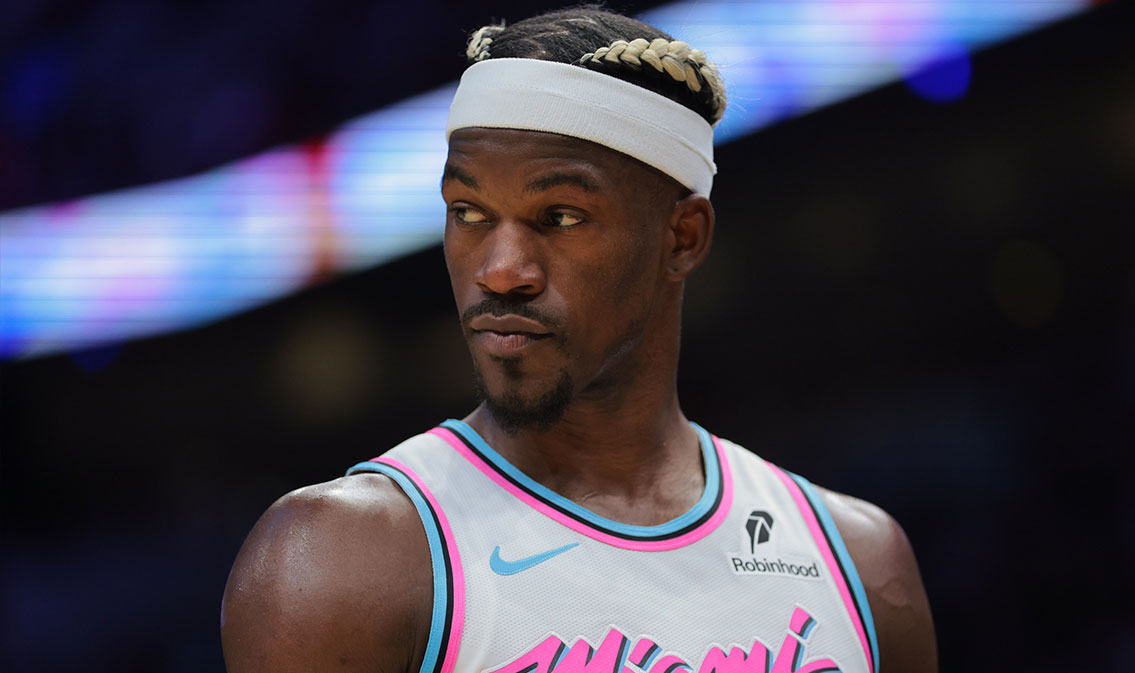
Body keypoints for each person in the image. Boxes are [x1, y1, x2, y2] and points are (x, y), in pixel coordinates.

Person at [221, 6, 936, 673]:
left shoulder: (860, 564)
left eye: (560, 216)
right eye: (468, 211)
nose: (500, 271)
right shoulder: (339, 562)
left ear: (682, 237)